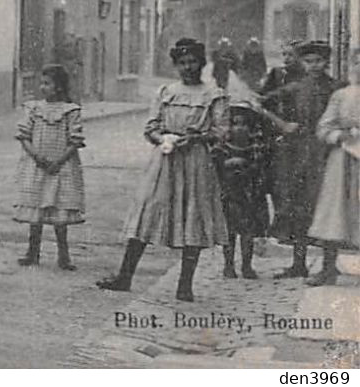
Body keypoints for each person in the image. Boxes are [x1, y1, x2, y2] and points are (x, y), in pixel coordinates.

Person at [96, 38, 228, 302]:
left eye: (192, 62)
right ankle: (125, 276)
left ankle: (185, 285)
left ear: (202, 64)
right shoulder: (166, 91)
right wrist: (162, 139)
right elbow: (150, 127)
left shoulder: (214, 95)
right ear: (175, 66)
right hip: (165, 159)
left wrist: (197, 138)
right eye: (182, 63)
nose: (188, 67)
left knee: (193, 216)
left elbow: (220, 132)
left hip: (195, 161)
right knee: (148, 210)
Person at [263, 40, 340, 279]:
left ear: (326, 62)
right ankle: (299, 263)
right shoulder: (297, 87)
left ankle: (329, 265)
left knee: (329, 209)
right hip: (299, 154)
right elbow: (263, 102)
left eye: (318, 60)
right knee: (299, 208)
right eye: (309, 61)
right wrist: (282, 124)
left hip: (328, 154)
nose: (314, 65)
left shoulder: (336, 88)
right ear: (302, 63)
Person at [13, 64, 85, 271]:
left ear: (60, 87)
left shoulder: (71, 111)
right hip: (38, 166)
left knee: (58, 211)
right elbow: (24, 136)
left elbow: (75, 140)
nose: (43, 87)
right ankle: (32, 252)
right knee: (36, 210)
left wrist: (60, 160)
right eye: (41, 83)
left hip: (61, 168)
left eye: (48, 84)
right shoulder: (33, 108)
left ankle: (64, 255)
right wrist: (37, 157)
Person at [308, 54, 360, 285]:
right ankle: (328, 269)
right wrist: (340, 135)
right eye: (358, 62)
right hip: (343, 160)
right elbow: (323, 127)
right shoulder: (342, 95)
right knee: (334, 212)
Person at [214, 103, 271, 279]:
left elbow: (259, 164)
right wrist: (229, 166)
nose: (240, 128)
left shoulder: (256, 145)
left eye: (244, 124)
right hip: (229, 192)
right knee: (229, 231)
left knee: (248, 231)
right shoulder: (222, 145)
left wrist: (246, 168)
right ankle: (228, 265)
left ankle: (247, 265)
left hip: (249, 192)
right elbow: (216, 164)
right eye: (235, 123)